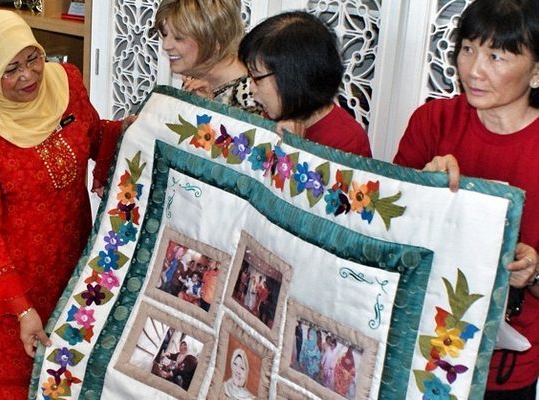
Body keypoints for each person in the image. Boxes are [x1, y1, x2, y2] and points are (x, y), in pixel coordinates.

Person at [0, 10, 129, 399]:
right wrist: (22, 309)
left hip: (71, 270)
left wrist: (135, 129)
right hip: (9, 289)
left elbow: (94, 137)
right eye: (10, 69)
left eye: (32, 58)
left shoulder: (67, 86)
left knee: (67, 380)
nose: (28, 76)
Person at [393, 0, 539, 398]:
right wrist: (421, 193)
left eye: (497, 56)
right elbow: (386, 234)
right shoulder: (432, 122)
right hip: (416, 344)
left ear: (537, 70)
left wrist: (534, 273)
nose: (474, 70)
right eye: (468, 49)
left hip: (503, 365)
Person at [238, 11, 372, 157]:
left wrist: (294, 150)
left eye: (257, 78)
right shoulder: (277, 113)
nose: (251, 88)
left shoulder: (346, 142)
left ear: (292, 79)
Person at [154, 0, 261, 114]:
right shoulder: (196, 70)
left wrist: (211, 112)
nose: (165, 45)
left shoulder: (253, 96)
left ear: (216, 41)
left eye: (179, 38)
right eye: (165, 34)